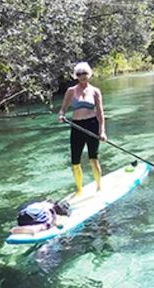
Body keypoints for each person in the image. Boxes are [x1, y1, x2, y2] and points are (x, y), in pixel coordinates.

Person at [57, 62, 105, 195]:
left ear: (89, 74)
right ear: (76, 76)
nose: (82, 76)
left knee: (93, 159)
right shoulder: (71, 91)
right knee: (75, 162)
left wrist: (102, 131)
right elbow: (63, 109)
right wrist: (61, 115)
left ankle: (99, 187)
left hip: (92, 125)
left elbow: (100, 113)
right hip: (76, 126)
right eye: (79, 74)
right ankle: (79, 190)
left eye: (84, 73)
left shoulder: (95, 91)